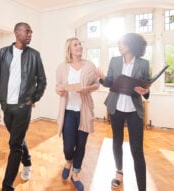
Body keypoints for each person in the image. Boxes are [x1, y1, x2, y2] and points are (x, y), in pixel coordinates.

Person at [0, 22, 47, 191]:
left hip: (23, 106)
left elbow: (42, 80)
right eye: (27, 31)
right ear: (17, 32)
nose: (30, 34)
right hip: (6, 106)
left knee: (14, 144)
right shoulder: (2, 53)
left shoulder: (34, 55)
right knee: (18, 138)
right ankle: (28, 161)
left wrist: (33, 99)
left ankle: (7, 186)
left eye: (31, 32)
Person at [95, 33, 150, 191]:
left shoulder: (143, 64)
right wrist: (103, 78)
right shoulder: (115, 60)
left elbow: (147, 91)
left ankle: (142, 188)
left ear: (132, 44)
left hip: (134, 111)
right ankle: (119, 173)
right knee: (116, 142)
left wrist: (143, 91)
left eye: (122, 43)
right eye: (118, 43)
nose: (119, 45)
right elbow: (110, 83)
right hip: (116, 108)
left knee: (137, 150)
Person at [55, 37, 99, 191]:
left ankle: (75, 174)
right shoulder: (62, 67)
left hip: (84, 112)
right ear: (69, 49)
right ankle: (68, 160)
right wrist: (59, 89)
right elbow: (58, 86)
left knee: (81, 144)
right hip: (68, 111)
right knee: (68, 146)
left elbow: (96, 84)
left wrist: (86, 89)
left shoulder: (90, 65)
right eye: (75, 45)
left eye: (80, 44)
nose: (79, 46)